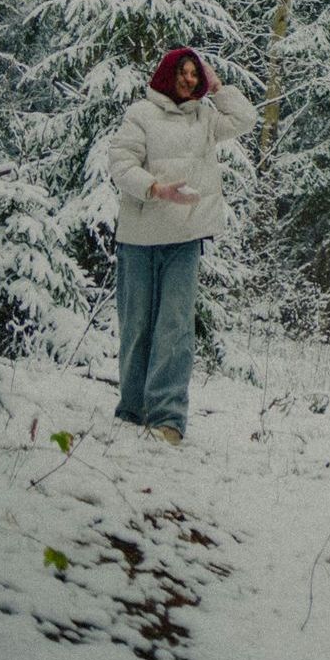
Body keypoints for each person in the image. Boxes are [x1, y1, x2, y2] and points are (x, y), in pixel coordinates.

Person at [108, 47, 258, 444]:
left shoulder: (205, 117)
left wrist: (219, 84)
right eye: (183, 72)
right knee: (137, 326)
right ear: (165, 75)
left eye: (196, 74)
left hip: (185, 239)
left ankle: (167, 419)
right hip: (139, 239)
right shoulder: (140, 114)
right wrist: (156, 189)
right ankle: (132, 409)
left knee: (174, 327)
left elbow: (246, 118)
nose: (189, 79)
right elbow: (121, 165)